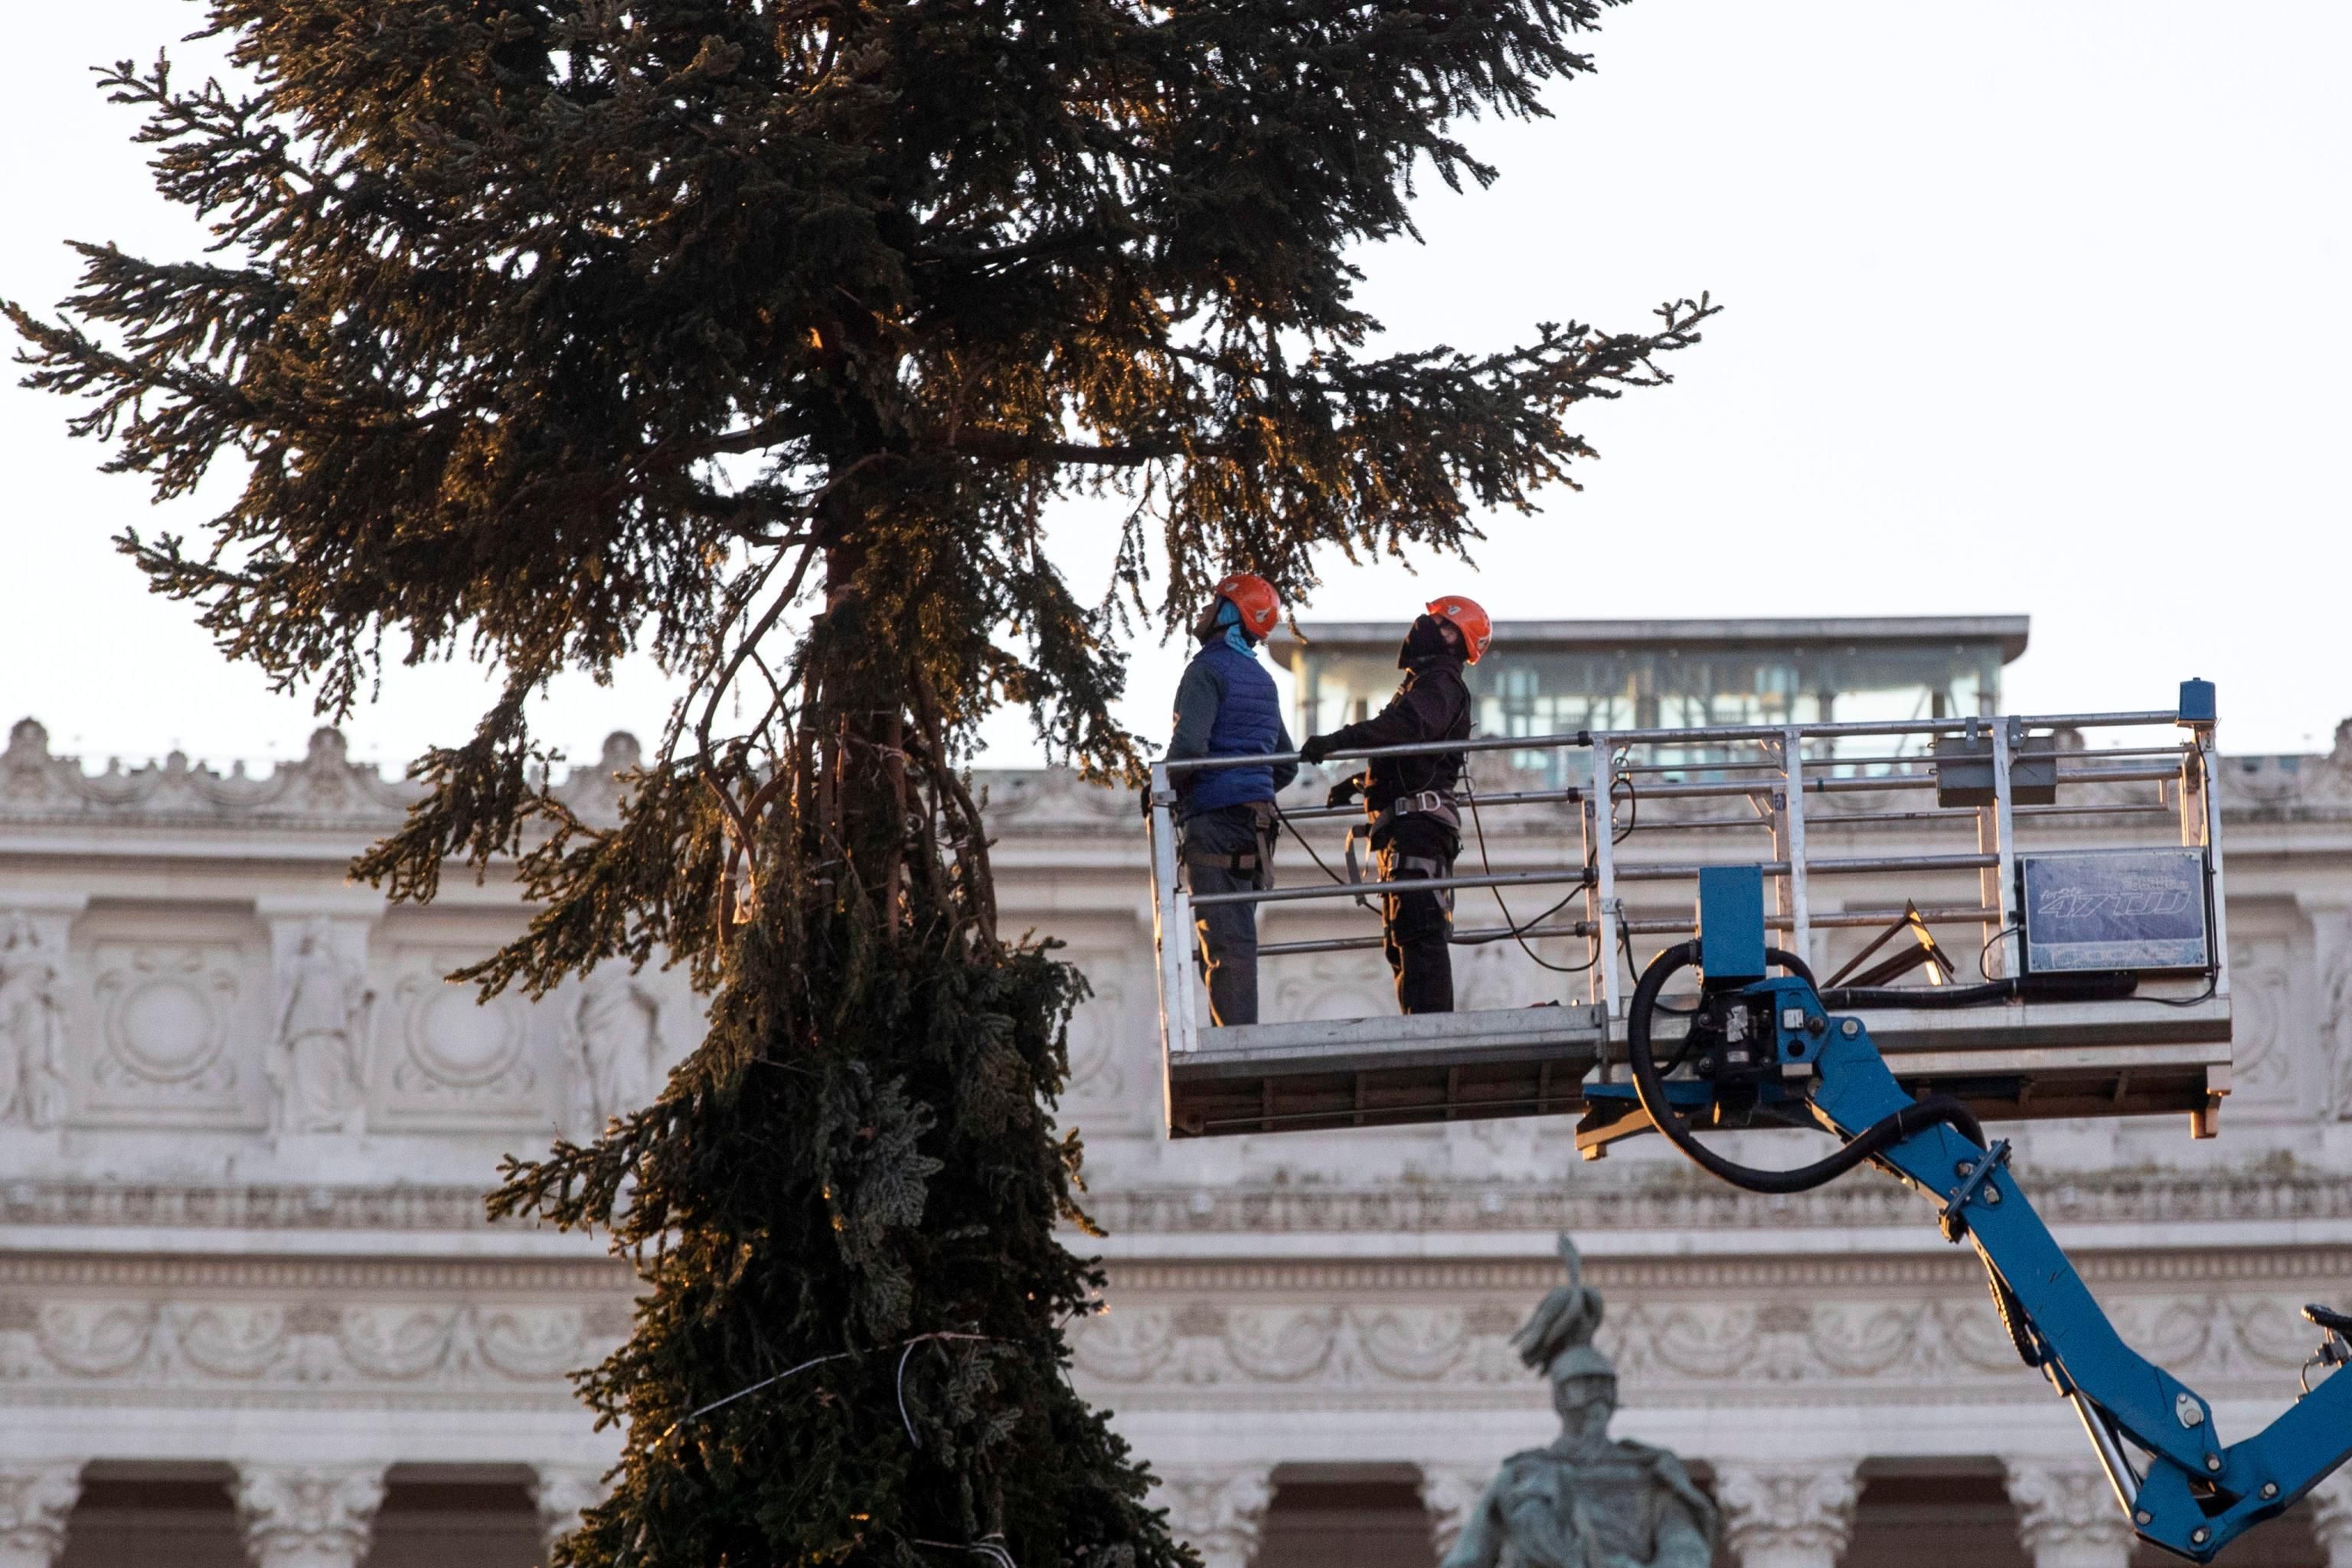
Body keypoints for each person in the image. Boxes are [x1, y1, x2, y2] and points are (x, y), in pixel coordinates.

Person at [1298, 596, 1490, 1014]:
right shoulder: (1424, 685)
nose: (1426, 625)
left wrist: (1338, 741)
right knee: (1401, 939)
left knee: (1418, 934)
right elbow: (1408, 752)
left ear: (1457, 642)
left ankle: (1430, 1037)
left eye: (1442, 623)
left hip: (1418, 828)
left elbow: (1403, 729)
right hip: (1406, 829)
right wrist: (1360, 781)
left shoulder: (1440, 683)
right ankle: (1418, 1030)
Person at [1164, 572, 1298, 1027]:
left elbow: (1187, 750)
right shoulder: (1262, 680)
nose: (1202, 611)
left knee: (1225, 941)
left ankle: (1236, 1038)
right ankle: (1231, 1029)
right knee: (1232, 932)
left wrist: (1165, 790)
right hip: (1256, 831)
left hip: (1216, 825)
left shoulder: (1206, 670)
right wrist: (1249, 786)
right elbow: (1287, 765)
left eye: (1212, 603)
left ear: (1229, 613)